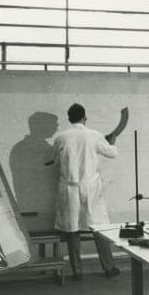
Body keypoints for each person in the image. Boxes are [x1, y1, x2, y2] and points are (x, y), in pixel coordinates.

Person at [53, 103, 121, 280]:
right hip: (90, 188)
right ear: (85, 118)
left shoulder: (60, 138)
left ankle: (77, 271)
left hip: (69, 187)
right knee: (98, 227)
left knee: (73, 229)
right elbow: (112, 154)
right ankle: (109, 267)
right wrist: (111, 142)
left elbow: (57, 163)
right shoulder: (95, 135)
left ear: (69, 119)